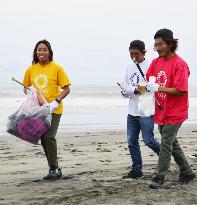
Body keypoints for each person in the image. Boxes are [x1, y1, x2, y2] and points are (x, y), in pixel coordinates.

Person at [145, 28, 196, 189]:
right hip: (161, 110)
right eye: (155, 45)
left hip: (176, 112)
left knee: (166, 142)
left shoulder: (180, 64)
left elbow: (181, 90)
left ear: (170, 44)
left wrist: (158, 88)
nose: (157, 48)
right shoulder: (155, 62)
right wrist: (140, 88)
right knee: (172, 143)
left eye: (160, 44)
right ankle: (187, 172)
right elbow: (149, 81)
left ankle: (159, 177)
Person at [23, 39, 71, 180]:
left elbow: (66, 88)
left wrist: (56, 101)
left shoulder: (57, 68)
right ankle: (54, 168)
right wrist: (30, 93)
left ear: (49, 52)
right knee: (43, 139)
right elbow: (25, 88)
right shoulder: (31, 69)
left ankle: (54, 169)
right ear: (35, 52)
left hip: (53, 109)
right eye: (39, 49)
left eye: (44, 49)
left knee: (49, 137)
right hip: (38, 110)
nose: (41, 52)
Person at [121, 40, 160, 179]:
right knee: (131, 141)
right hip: (132, 111)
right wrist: (132, 90)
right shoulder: (129, 67)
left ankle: (165, 156)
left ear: (143, 52)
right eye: (131, 54)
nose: (133, 57)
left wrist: (141, 88)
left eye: (136, 54)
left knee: (148, 140)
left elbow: (153, 87)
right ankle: (137, 169)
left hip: (146, 110)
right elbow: (125, 90)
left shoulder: (150, 66)